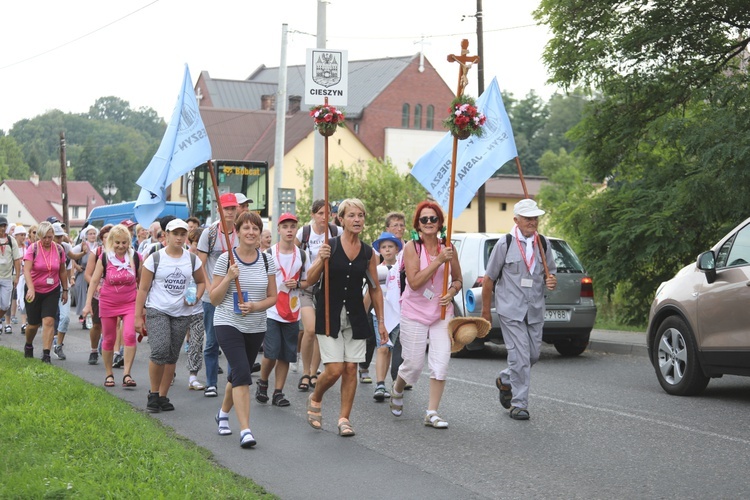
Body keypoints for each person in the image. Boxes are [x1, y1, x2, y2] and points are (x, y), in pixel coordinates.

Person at [304, 198, 387, 437]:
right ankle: (316, 396)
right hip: (329, 314)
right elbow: (310, 279)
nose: (357, 219)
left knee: (351, 368)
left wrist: (381, 321)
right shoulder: (329, 245)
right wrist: (321, 258)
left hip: (356, 316)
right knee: (334, 369)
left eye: (360, 215)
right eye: (351, 215)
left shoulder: (369, 253)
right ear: (340, 219)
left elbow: (374, 288)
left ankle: (344, 418)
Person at [481, 198, 557, 421]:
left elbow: (549, 275)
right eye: (528, 218)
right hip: (510, 310)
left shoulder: (543, 244)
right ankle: (519, 404)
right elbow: (488, 280)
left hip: (534, 309)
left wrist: (551, 281)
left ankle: (505, 379)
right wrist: (486, 313)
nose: (532, 222)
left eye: (535, 218)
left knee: (532, 355)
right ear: (516, 219)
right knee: (521, 357)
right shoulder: (505, 243)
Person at [390, 201, 463, 429]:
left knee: (441, 363)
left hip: (441, 313)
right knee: (413, 364)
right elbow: (414, 282)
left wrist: (451, 292)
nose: (429, 223)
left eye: (433, 219)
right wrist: (438, 261)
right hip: (414, 312)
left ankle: (432, 412)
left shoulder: (448, 246)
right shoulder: (412, 247)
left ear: (440, 222)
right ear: (418, 225)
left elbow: (458, 280)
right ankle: (397, 389)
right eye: (424, 219)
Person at [210, 211, 277, 447]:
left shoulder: (268, 260)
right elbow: (214, 298)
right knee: (242, 373)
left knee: (237, 374)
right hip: (228, 322)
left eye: (255, 229)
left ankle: (223, 413)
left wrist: (256, 306)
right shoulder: (226, 259)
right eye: (246, 228)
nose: (251, 232)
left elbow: (273, 297)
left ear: (260, 233)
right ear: (236, 232)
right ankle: (246, 430)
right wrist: (229, 277)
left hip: (255, 325)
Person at [135, 219, 205, 413]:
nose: (180, 237)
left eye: (183, 234)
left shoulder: (192, 259)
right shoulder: (155, 259)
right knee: (159, 350)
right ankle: (153, 394)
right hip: (158, 310)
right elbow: (143, 289)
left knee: (172, 355)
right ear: (166, 235)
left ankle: (164, 396)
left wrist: (196, 297)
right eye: (176, 234)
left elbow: (201, 282)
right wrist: (137, 316)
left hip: (182, 313)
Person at [256, 213, 309, 408]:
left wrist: (298, 283)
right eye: (285, 226)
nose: (289, 230)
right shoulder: (268, 254)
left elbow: (308, 280)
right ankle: (263, 382)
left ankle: (278, 392)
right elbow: (260, 279)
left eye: (292, 227)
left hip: (292, 311)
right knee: (271, 352)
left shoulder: (302, 255)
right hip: (271, 310)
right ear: (278, 229)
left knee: (286, 354)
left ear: (296, 230)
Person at [82, 224, 141, 388]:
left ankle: (127, 374)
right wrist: (88, 304)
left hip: (130, 302)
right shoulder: (105, 258)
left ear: (129, 242)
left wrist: (143, 306)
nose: (121, 246)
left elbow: (142, 283)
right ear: (111, 242)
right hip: (108, 302)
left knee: (129, 336)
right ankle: (109, 374)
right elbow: (94, 280)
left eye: (124, 242)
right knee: (109, 339)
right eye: (117, 243)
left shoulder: (135, 257)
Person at [294, 199, 342, 392]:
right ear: (313, 214)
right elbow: (292, 252)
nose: (324, 217)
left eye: (327, 213)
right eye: (320, 213)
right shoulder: (304, 233)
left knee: (321, 332)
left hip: (327, 287)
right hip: (306, 286)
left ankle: (314, 372)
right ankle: (305, 371)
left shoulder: (336, 231)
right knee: (310, 330)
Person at [198, 193, 241, 398]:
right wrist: (208, 288)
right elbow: (201, 264)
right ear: (219, 210)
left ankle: (234, 381)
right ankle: (211, 382)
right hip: (213, 295)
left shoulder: (241, 232)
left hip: (235, 294)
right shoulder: (210, 233)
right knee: (212, 341)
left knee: (234, 340)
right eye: (226, 208)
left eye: (233, 208)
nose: (230, 212)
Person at [22, 221, 68, 363]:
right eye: (44, 237)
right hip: (34, 290)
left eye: (50, 237)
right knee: (33, 324)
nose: (47, 240)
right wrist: (30, 288)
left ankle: (46, 354)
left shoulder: (59, 249)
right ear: (39, 237)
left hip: (52, 290)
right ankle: (28, 344)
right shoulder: (33, 249)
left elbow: (62, 271)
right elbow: (27, 270)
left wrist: (65, 289)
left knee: (49, 321)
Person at [368, 232, 402, 401]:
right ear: (379, 250)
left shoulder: (403, 268)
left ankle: (393, 382)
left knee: (389, 348)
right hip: (380, 313)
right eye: (384, 247)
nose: (387, 250)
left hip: (398, 313)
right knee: (382, 347)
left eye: (390, 247)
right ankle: (380, 384)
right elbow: (369, 291)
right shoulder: (376, 270)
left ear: (397, 249)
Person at [83, 224, 113, 365]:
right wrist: (98, 286)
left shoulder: (122, 252)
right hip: (98, 294)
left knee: (114, 325)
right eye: (106, 237)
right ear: (102, 239)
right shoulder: (96, 252)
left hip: (115, 294)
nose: (109, 240)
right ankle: (93, 350)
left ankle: (112, 350)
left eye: (111, 237)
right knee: (96, 325)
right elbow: (87, 275)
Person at [185, 227, 207, 391]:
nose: (197, 247)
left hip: (198, 309)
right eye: (195, 244)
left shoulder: (206, 261)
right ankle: (169, 374)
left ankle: (193, 377)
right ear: (189, 243)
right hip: (177, 310)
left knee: (196, 343)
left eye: (201, 244)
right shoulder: (182, 258)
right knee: (173, 344)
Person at [51, 223, 73, 360]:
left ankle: (58, 345)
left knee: (65, 317)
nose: (59, 240)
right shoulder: (40, 249)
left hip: (62, 287)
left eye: (61, 237)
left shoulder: (64, 248)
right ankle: (47, 349)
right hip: (48, 288)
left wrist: (67, 286)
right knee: (48, 319)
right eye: (56, 237)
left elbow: (67, 267)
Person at [71, 225, 99, 329]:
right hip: (83, 272)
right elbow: (70, 255)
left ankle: (91, 316)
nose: (92, 236)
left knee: (93, 294)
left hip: (95, 273)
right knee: (82, 293)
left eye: (94, 233)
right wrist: (76, 266)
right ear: (86, 236)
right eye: (90, 234)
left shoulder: (98, 246)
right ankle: (84, 316)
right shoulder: (82, 246)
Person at [0, 217, 23, 334]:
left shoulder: (11, 240)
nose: (3, 228)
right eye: (1, 226)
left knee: (5, 305)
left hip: (7, 277)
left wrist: (17, 276)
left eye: (4, 226)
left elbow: (16, 259)